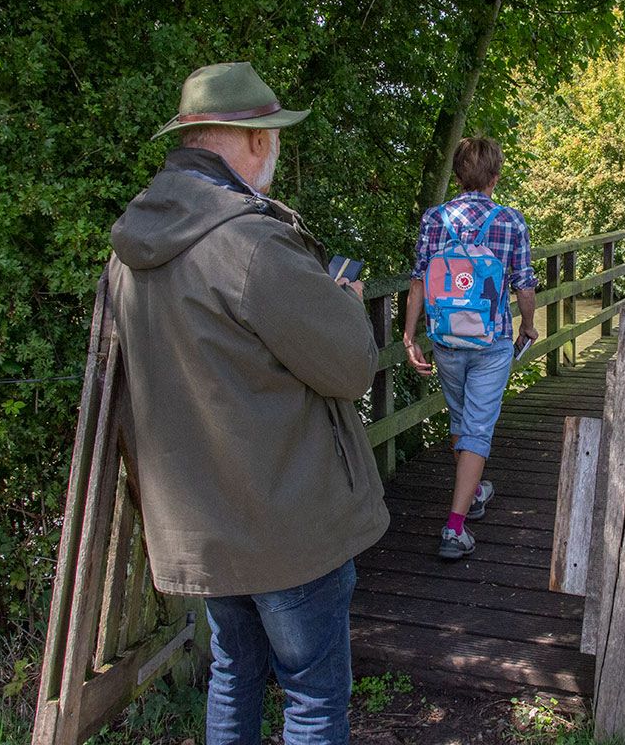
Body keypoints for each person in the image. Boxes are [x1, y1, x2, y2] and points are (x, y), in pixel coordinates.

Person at [108, 62, 389, 745]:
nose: (276, 154)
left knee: (233, 674)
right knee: (313, 701)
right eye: (274, 137)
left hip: (202, 525)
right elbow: (351, 369)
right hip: (288, 524)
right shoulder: (250, 244)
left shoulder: (127, 252)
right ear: (254, 140)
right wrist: (345, 307)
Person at [403, 137, 538, 560]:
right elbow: (525, 285)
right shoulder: (511, 221)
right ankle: (454, 528)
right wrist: (529, 326)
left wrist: (410, 336)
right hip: (492, 340)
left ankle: (474, 489)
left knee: (462, 419)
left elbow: (419, 281)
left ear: (459, 176)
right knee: (478, 427)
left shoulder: (434, 219)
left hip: (445, 339)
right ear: (495, 177)